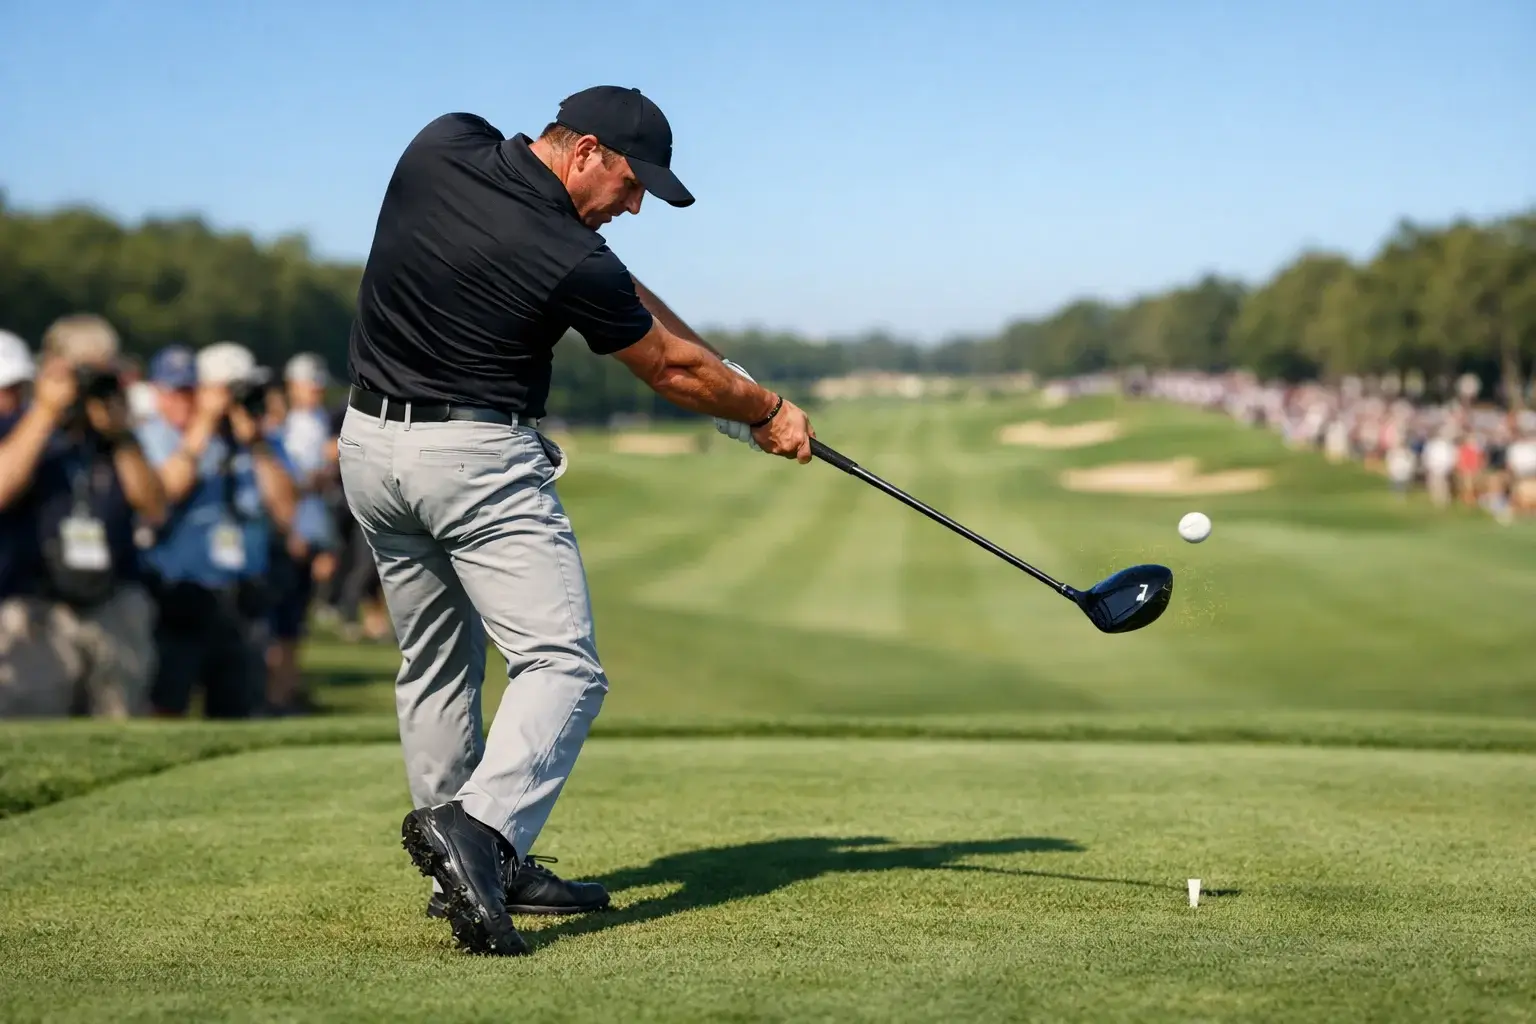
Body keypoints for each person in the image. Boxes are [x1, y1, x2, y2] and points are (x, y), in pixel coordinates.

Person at [339, 85, 814, 956]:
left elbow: (636, 303)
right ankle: (480, 834)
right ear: (586, 150)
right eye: (633, 185)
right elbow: (669, 371)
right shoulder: (566, 255)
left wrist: (721, 370)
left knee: (438, 663)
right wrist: (765, 408)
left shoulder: (440, 143)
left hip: (370, 449)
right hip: (473, 462)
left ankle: (477, 859)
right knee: (564, 666)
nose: (635, 205)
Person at [0, 317, 165, 718]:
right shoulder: (18, 424)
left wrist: (121, 435)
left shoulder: (115, 437)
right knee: (31, 728)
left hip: (112, 600)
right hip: (35, 605)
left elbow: (154, 506)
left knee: (118, 724)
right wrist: (44, 411)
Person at [136, 343, 297, 718]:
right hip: (180, 595)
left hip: (244, 599)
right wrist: (204, 422)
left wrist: (256, 443)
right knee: (165, 708)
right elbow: (164, 494)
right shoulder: (165, 435)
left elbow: (286, 511)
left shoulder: (261, 442)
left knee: (238, 716)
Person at [261, 353, 340, 714]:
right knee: (282, 622)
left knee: (295, 622)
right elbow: (292, 487)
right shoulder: (292, 426)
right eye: (309, 384)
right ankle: (277, 695)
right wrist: (328, 465)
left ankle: (288, 690)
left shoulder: (317, 421)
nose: (316, 391)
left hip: (312, 531)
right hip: (295, 532)